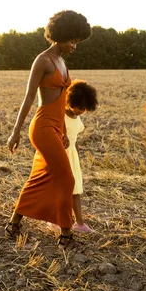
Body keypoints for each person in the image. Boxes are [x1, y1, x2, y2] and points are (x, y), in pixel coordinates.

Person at [6, 10, 91, 249]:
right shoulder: (43, 60)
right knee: (66, 177)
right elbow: (29, 97)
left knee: (42, 177)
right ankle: (66, 233)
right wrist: (16, 131)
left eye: (78, 41)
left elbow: (63, 101)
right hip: (42, 127)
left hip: (56, 126)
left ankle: (13, 222)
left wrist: (64, 130)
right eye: (71, 40)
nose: (75, 45)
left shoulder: (63, 62)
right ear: (60, 35)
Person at [64, 79, 98, 233]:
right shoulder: (60, 116)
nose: (81, 111)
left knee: (76, 190)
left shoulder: (77, 117)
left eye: (84, 109)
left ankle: (80, 223)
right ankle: (53, 220)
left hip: (73, 157)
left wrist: (77, 156)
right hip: (61, 156)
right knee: (61, 191)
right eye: (79, 107)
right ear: (70, 101)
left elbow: (75, 140)